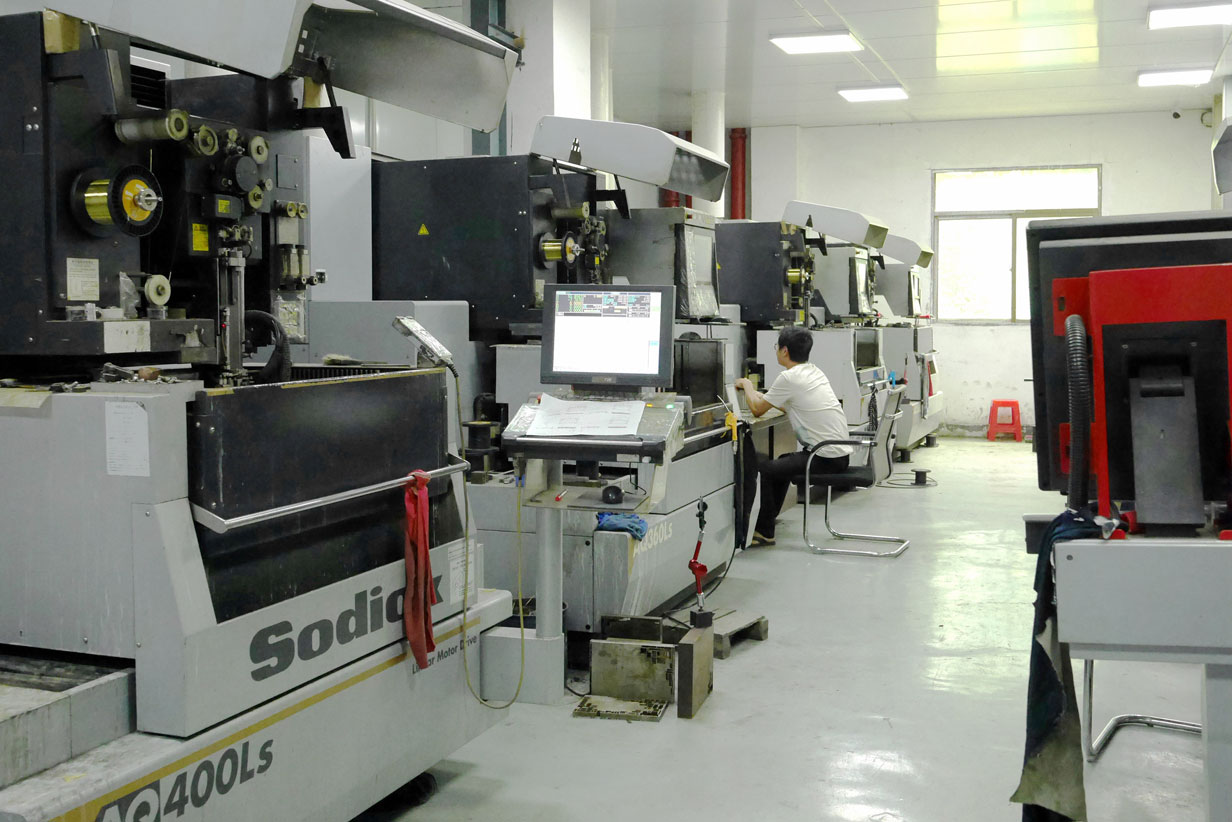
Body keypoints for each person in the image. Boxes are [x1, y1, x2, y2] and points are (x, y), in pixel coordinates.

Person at [736, 326, 851, 547]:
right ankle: (765, 524)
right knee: (780, 465)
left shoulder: (788, 377)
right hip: (838, 454)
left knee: (765, 471)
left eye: (776, 347)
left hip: (824, 457)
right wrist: (763, 397)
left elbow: (757, 410)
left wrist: (747, 386)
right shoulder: (814, 371)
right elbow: (794, 404)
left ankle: (764, 530)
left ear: (785, 351)